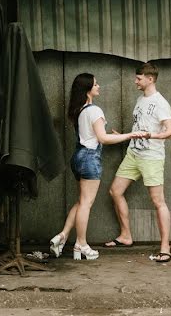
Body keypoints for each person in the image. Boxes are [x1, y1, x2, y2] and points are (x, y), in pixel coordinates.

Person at [50, 73, 145, 261]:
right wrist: (129, 135)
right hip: (89, 158)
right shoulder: (94, 111)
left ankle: (62, 236)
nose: (98, 86)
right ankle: (81, 244)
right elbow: (102, 138)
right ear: (88, 90)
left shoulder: (80, 110)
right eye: (95, 84)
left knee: (81, 201)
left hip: (78, 157)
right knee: (86, 203)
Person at [105, 62, 171, 263]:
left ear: (150, 79)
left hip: (151, 158)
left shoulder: (160, 102)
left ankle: (165, 248)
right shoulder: (140, 99)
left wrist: (149, 135)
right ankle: (126, 236)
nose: (135, 81)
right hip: (133, 154)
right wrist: (126, 136)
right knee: (115, 191)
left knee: (158, 201)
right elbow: (140, 126)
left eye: (138, 78)